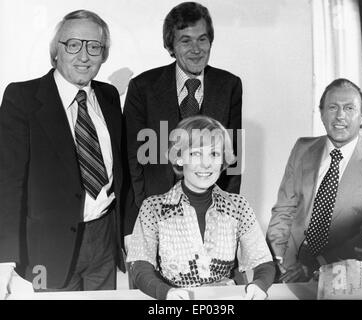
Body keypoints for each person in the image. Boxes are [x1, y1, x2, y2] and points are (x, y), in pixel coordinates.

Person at [0, 9, 135, 297]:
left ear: (104, 54)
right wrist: (4, 259)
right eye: (73, 44)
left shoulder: (110, 96)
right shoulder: (22, 98)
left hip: (103, 243)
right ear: (56, 51)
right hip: (46, 248)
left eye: (94, 46)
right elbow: (8, 183)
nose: (84, 56)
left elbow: (120, 172)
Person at [123, 2, 242, 232]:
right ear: (171, 46)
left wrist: (226, 217)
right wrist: (144, 214)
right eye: (185, 40)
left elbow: (232, 159)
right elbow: (133, 160)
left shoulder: (229, 86)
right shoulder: (142, 87)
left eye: (202, 39)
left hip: (210, 217)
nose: (196, 49)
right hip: (157, 214)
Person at [127, 115, 275, 300]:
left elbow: (264, 263)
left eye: (214, 154)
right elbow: (140, 267)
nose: (206, 163)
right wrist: (166, 293)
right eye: (196, 153)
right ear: (179, 158)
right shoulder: (153, 208)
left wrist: (259, 286)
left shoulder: (239, 206)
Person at [267, 78, 362, 283]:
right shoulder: (302, 148)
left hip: (347, 272)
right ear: (321, 113)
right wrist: (279, 258)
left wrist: (318, 265)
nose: (340, 116)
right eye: (332, 107)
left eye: (349, 108)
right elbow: (284, 209)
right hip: (291, 266)